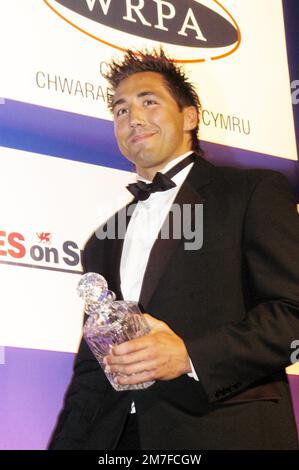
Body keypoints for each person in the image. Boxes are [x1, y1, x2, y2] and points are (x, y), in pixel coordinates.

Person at [49, 48, 299, 450]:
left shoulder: (253, 192)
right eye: (121, 110)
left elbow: (292, 316)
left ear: (190, 117)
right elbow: (91, 368)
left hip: (221, 431)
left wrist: (190, 356)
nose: (134, 118)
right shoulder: (102, 240)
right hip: (115, 439)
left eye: (149, 101)